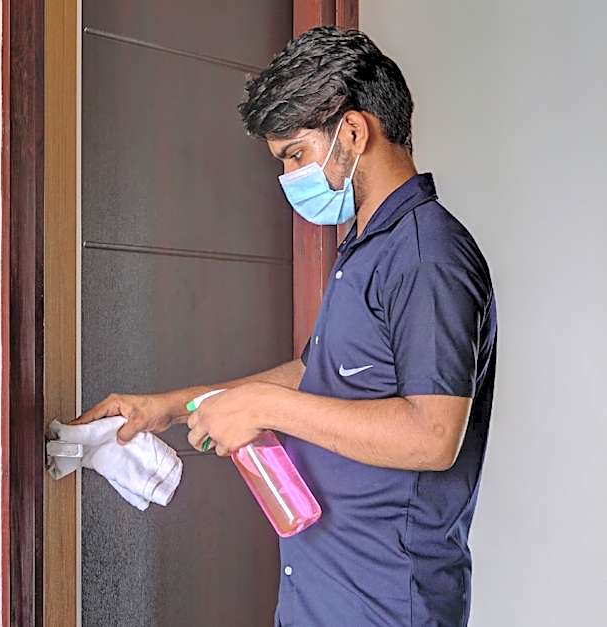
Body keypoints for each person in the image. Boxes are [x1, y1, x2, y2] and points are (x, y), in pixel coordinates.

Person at [69, 26, 496, 627]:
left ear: (353, 133)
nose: (289, 177)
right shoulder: (364, 248)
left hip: (384, 603)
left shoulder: (427, 257)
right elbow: (315, 374)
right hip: (321, 593)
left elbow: (433, 435)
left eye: (295, 154)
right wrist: (171, 406)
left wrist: (264, 408)